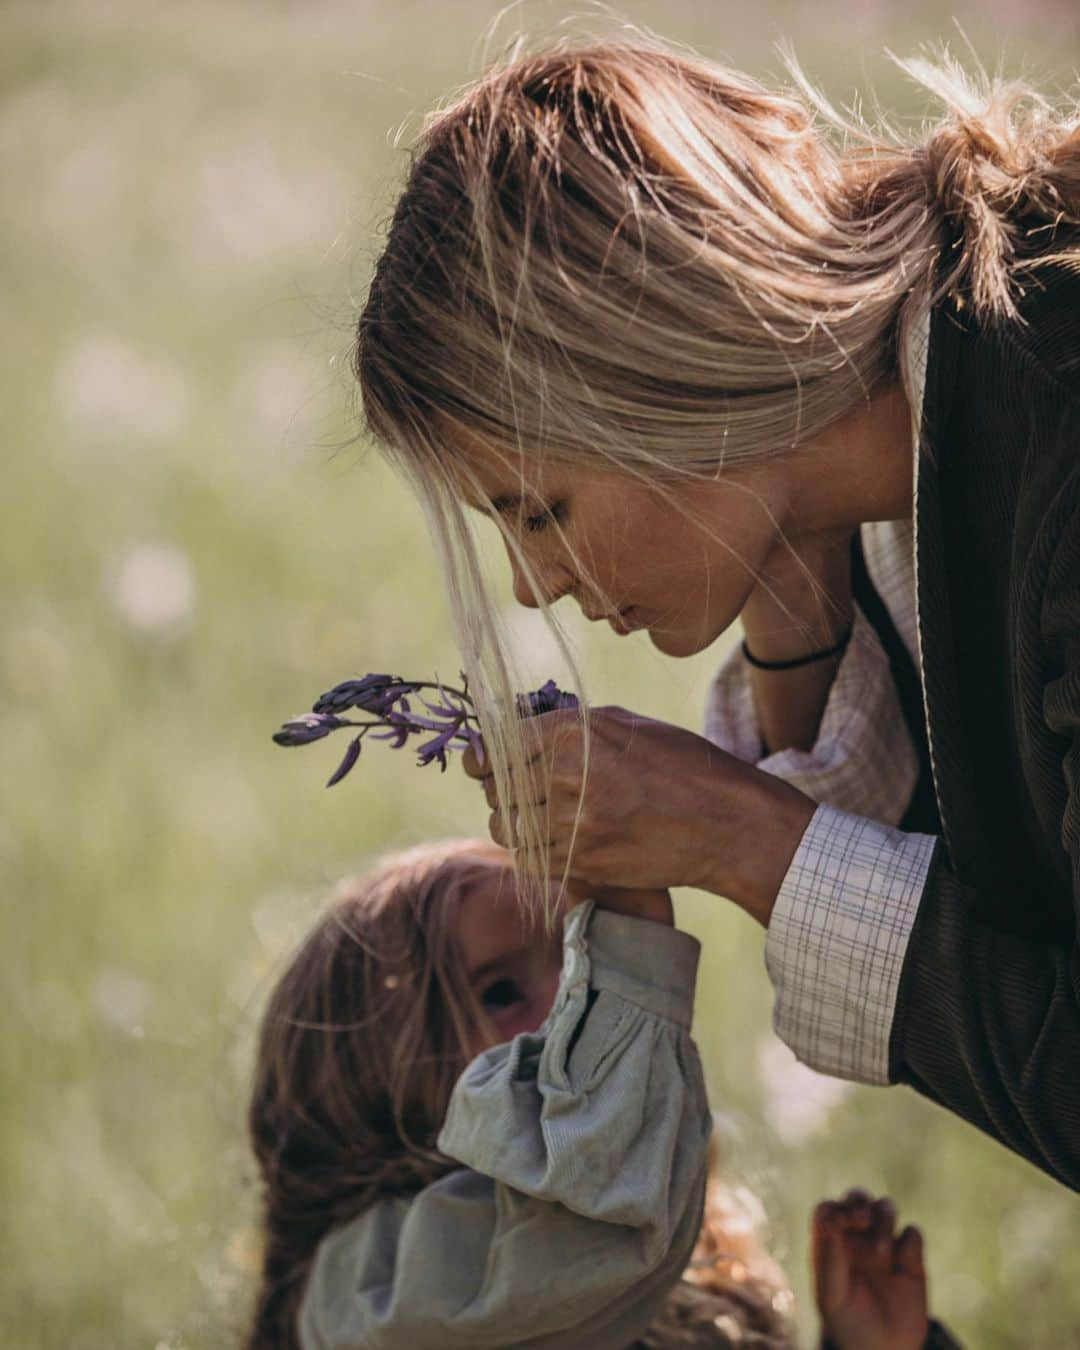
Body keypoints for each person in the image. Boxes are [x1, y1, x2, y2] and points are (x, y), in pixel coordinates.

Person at [353, 40, 1080, 1187]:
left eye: (540, 510)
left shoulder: (1063, 448)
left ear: (661, 376)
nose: (533, 586)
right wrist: (794, 568)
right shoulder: (890, 458)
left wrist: (737, 838)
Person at [245, 837, 955, 1348]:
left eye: (578, 958)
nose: (569, 1005)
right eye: (500, 992)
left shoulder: (672, 1266)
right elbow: (574, 1235)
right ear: (380, 1088)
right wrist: (632, 938)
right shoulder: (361, 1293)